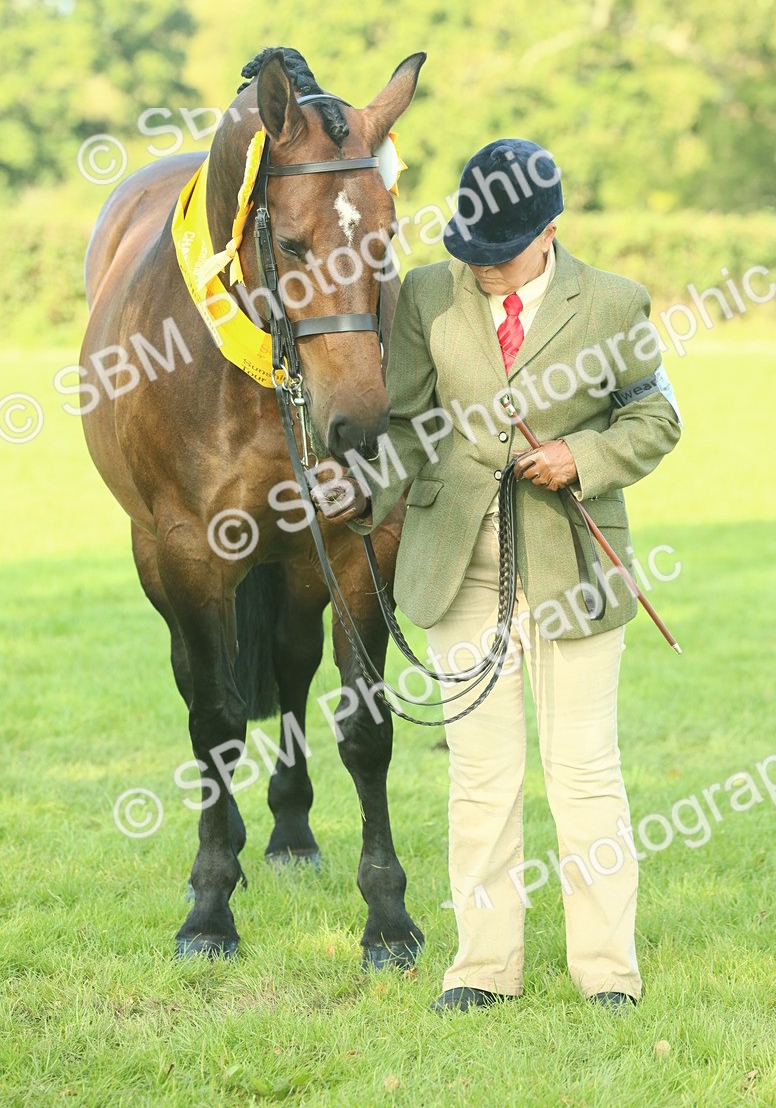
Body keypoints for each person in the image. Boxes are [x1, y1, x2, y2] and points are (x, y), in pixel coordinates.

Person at [312, 139, 682, 1012]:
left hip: (573, 569)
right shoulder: (428, 297)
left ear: (549, 230)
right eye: (468, 251)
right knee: (480, 778)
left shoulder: (618, 304)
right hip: (458, 567)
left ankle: (608, 976)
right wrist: (362, 488)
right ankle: (481, 970)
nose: (478, 270)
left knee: (584, 774)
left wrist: (581, 455)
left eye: (498, 255)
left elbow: (658, 416)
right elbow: (403, 425)